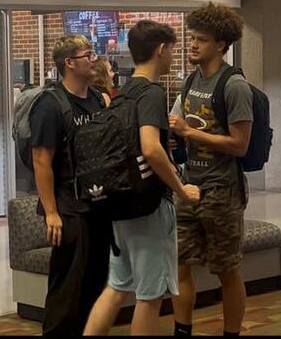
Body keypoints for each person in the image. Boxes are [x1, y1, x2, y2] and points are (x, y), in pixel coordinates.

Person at [83, 21, 200, 335]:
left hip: (119, 202)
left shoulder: (123, 94)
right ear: (161, 49)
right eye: (173, 50)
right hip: (147, 205)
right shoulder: (151, 93)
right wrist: (181, 188)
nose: (174, 56)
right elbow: (150, 148)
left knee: (117, 286)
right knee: (149, 296)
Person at [168, 3, 253, 337]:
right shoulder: (191, 81)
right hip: (189, 187)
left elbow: (239, 144)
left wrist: (190, 132)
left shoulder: (234, 86)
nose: (192, 44)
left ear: (221, 45)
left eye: (200, 40)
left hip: (222, 192)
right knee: (181, 263)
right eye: (191, 38)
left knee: (227, 269)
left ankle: (231, 333)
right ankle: (182, 330)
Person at [29, 35, 110, 337]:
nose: (94, 59)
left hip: (98, 206)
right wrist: (51, 212)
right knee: (68, 287)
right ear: (69, 63)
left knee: (95, 282)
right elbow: (41, 160)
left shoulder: (99, 99)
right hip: (68, 209)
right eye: (87, 54)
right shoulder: (50, 105)